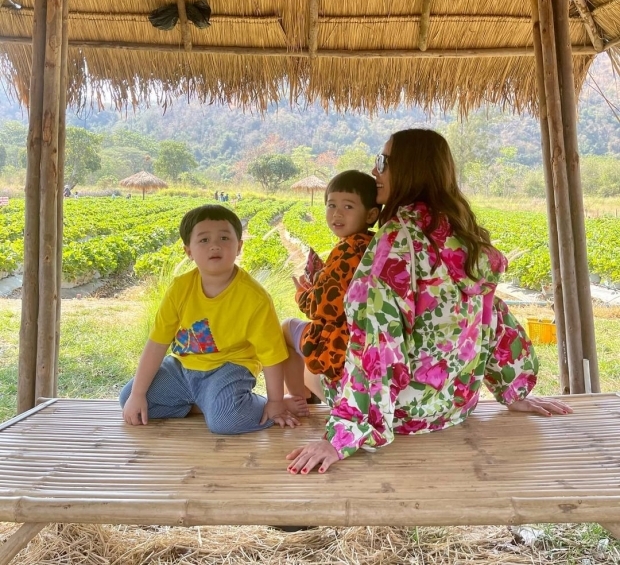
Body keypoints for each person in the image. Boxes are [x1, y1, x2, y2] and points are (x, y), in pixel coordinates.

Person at [286, 129, 572, 474]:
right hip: (453, 404)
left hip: (400, 414)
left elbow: (376, 341)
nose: (375, 172)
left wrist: (342, 435)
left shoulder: (396, 244)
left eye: (382, 162)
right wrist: (514, 388)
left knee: (303, 343)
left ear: (408, 169)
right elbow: (492, 317)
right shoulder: (466, 238)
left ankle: (293, 406)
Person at [120, 204, 304, 434]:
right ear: (189, 251)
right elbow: (157, 343)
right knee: (130, 399)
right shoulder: (180, 288)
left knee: (225, 421)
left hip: (229, 368)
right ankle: (205, 404)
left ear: (239, 247)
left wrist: (276, 402)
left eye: (225, 238)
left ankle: (248, 404)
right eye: (204, 240)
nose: (215, 245)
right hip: (183, 368)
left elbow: (271, 355)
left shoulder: (254, 298)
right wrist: (138, 395)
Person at [281, 170, 380, 404]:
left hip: (341, 344)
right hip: (365, 343)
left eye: (348, 207)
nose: (336, 213)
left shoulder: (347, 251)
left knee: (286, 327)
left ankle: (298, 399)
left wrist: (303, 295)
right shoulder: (374, 244)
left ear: (371, 214)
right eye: (331, 205)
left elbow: (323, 308)